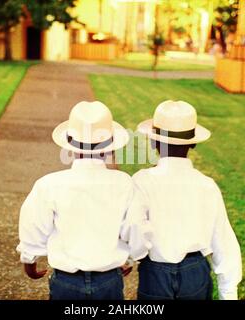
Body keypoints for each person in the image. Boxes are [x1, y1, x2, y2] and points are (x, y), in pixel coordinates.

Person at [16, 101, 151, 300]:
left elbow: (33, 227)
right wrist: (130, 258)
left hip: (65, 281)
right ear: (110, 146)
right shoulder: (124, 184)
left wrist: (29, 261)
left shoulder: (49, 184)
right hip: (108, 281)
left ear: (70, 143)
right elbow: (136, 227)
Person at [133, 100, 242, 300]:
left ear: (153, 142)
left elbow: (135, 228)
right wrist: (228, 293)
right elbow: (223, 240)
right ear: (193, 142)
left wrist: (134, 256)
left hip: (155, 272)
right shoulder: (207, 185)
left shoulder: (142, 181)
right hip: (195, 273)